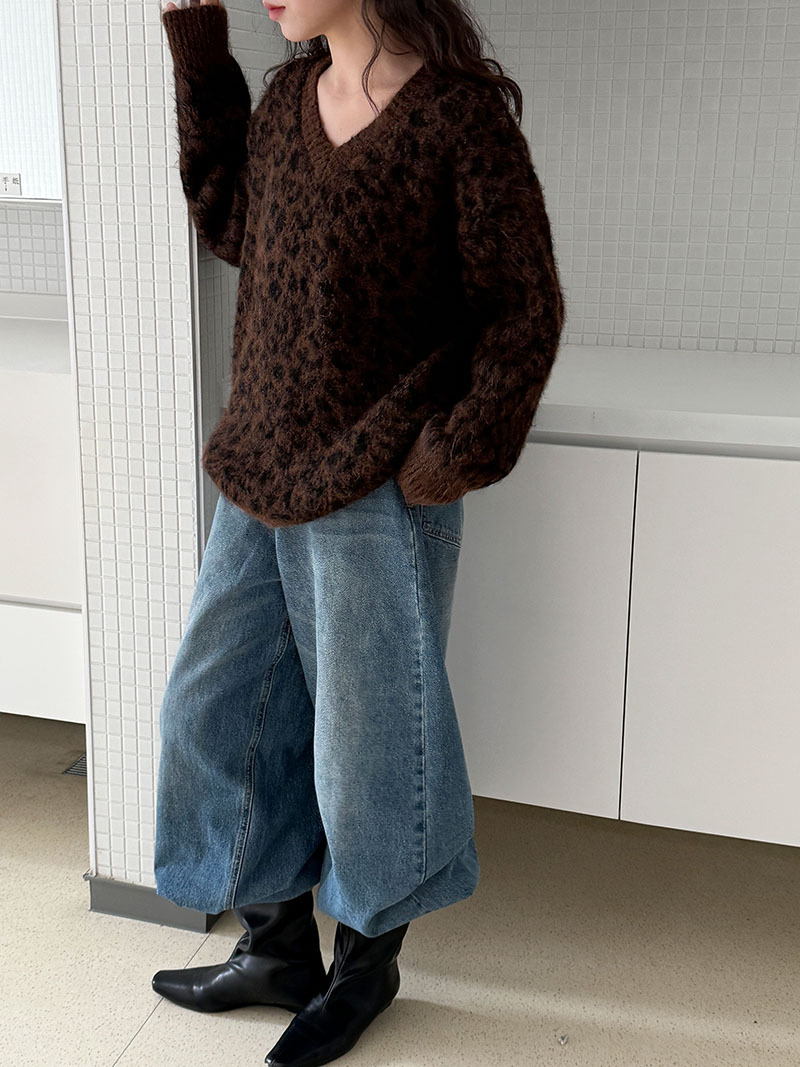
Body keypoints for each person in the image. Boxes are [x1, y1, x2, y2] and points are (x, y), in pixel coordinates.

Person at [152, 0, 565, 1064]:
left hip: (377, 481)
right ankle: (276, 944)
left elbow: (522, 308)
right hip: (260, 460)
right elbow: (233, 225)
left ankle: (364, 966)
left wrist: (457, 449)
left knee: (368, 742)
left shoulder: (458, 119)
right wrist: (200, 58)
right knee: (214, 707)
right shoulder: (290, 97)